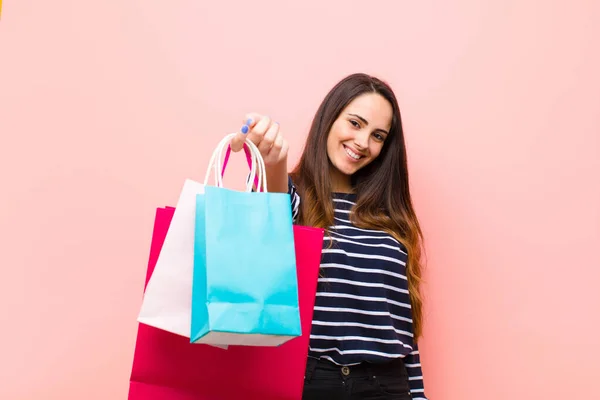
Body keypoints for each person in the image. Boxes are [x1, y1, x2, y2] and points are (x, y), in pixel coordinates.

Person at [230, 73, 428, 400]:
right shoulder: (293, 197)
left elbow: (402, 330)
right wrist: (273, 161)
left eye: (378, 135)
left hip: (387, 385)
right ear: (329, 119)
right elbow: (270, 227)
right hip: (309, 382)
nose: (363, 142)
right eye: (355, 123)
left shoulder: (392, 217)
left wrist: (418, 396)